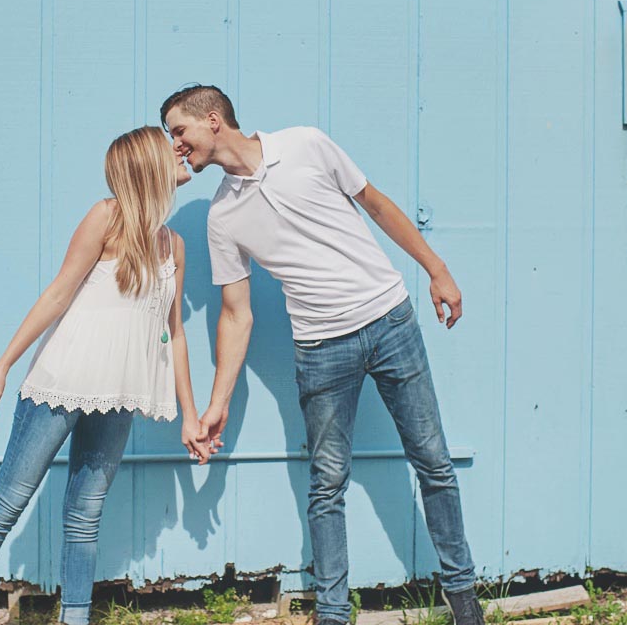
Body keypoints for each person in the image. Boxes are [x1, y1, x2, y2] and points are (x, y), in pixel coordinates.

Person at [160, 85, 486, 625]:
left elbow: (376, 204)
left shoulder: (305, 144)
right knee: (327, 484)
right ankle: (334, 614)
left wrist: (437, 269)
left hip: (390, 322)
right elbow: (236, 314)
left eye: (179, 131)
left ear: (213, 119)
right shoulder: (222, 216)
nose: (176, 146)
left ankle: (464, 600)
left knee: (434, 462)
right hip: (320, 349)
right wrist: (217, 402)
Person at [0, 126, 212, 625]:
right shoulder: (105, 218)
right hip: (60, 384)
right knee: (9, 502)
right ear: (145, 165)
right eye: (166, 144)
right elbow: (58, 293)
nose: (179, 150)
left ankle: (76, 618)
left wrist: (190, 417)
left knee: (85, 515)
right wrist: (1, 367)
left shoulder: (172, 245)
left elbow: (173, 333)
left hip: (117, 395)